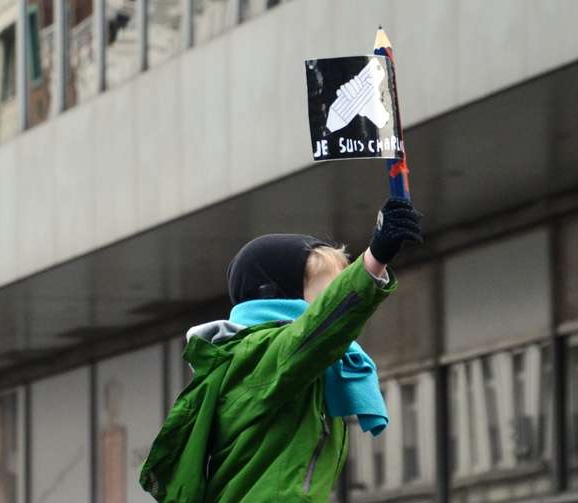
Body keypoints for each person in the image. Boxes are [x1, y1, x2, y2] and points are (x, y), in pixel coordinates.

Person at [140, 197, 422, 502]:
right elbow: (320, 328)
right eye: (326, 295)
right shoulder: (257, 354)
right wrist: (374, 260)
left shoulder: (275, 359)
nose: (330, 305)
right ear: (277, 297)